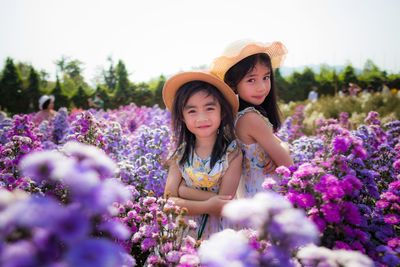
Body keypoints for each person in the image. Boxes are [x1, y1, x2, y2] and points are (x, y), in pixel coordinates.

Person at [163, 70, 243, 240]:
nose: (201, 118)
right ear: (182, 117)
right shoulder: (180, 154)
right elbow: (168, 203)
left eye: (209, 108)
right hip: (185, 235)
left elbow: (224, 204)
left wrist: (184, 191)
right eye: (192, 111)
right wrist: (207, 205)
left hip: (219, 234)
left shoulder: (232, 153)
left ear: (222, 112)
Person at [210, 39, 293, 198]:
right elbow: (289, 165)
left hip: (252, 197)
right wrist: (283, 151)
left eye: (266, 77)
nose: (261, 87)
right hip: (268, 199)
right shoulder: (250, 118)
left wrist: (281, 150)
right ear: (233, 83)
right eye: (251, 80)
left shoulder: (236, 116)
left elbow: (278, 144)